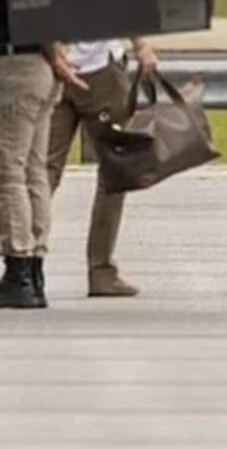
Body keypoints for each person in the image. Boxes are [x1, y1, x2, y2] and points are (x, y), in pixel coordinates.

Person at [47, 37, 159, 298]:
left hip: (53, 64)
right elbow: (119, 0)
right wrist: (141, 44)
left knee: (41, 172)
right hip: (101, 70)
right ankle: (101, 269)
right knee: (114, 169)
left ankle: (23, 262)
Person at [0, 33, 85, 310]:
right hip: (41, 67)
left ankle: (18, 269)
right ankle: (34, 268)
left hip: (15, 64)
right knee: (34, 169)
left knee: (9, 170)